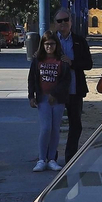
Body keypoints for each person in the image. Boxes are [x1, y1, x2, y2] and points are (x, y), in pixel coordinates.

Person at [51, 8, 94, 162]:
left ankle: (70, 157)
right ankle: (51, 157)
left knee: (75, 125)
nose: (63, 23)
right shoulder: (50, 41)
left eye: (65, 20)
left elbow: (88, 64)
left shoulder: (79, 41)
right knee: (53, 126)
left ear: (71, 22)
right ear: (55, 24)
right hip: (55, 91)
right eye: (59, 21)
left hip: (75, 89)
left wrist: (72, 63)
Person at [27, 33, 70, 171]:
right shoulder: (37, 60)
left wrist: (55, 93)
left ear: (56, 45)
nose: (49, 47)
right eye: (46, 44)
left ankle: (52, 158)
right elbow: (32, 78)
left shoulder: (61, 61)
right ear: (42, 45)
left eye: (52, 44)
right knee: (46, 128)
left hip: (58, 99)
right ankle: (41, 158)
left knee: (55, 129)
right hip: (42, 98)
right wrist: (31, 96)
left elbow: (65, 80)